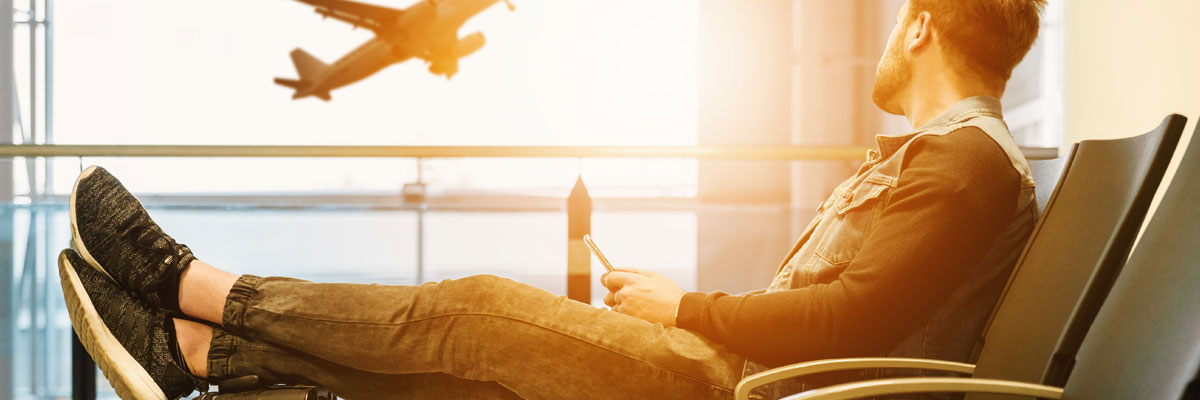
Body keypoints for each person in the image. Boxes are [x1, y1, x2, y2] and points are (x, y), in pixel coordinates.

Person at [58, 1, 1046, 399]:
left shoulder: (962, 167)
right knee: (473, 362)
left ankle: (197, 292)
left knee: (474, 310)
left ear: (920, 28)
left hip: (739, 386)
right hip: (747, 371)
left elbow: (847, 317)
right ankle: (194, 350)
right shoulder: (953, 163)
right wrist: (684, 306)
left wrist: (683, 308)